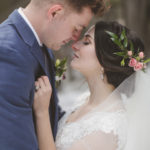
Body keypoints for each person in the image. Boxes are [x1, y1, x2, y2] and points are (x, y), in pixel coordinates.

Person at [0, 0, 107, 149]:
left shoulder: (42, 44)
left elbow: (52, 117)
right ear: (54, 13)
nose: (76, 39)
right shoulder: (8, 54)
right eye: (76, 28)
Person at [33, 21, 150, 150]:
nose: (75, 46)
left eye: (87, 42)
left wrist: (42, 113)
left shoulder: (106, 128)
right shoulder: (83, 99)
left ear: (105, 60)